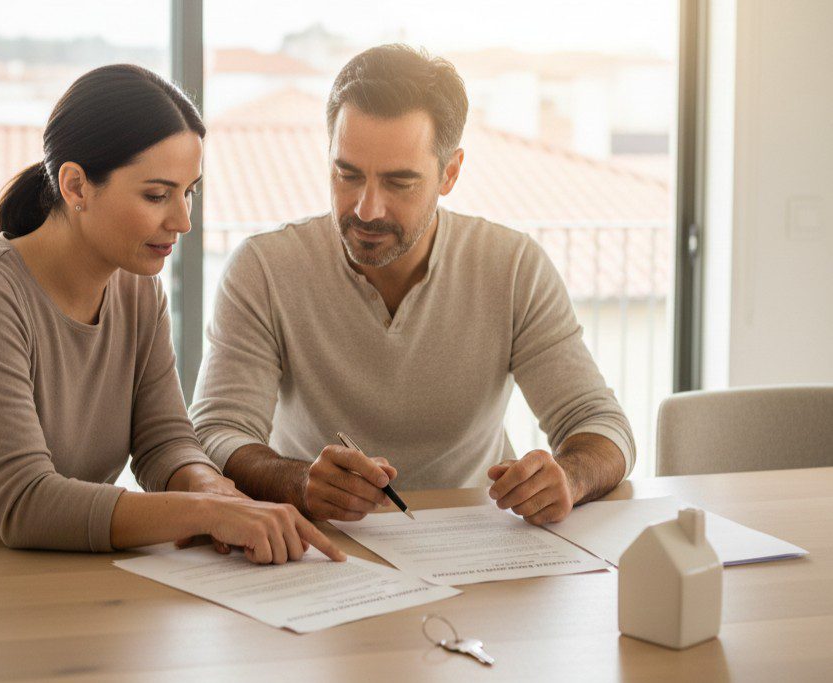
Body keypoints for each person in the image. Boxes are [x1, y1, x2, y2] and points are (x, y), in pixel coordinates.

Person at [0, 64, 344, 565]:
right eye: (156, 195)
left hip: (44, 571)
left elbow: (163, 442)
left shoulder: (139, 291)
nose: (183, 221)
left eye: (189, 192)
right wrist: (204, 512)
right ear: (75, 186)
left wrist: (212, 490)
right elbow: (25, 503)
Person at [190, 45, 636, 526]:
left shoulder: (513, 268)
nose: (366, 209)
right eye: (347, 174)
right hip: (320, 540)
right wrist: (297, 482)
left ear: (450, 173)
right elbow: (216, 433)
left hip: (476, 539)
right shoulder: (263, 269)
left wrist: (569, 477)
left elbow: (601, 425)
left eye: (399, 183)